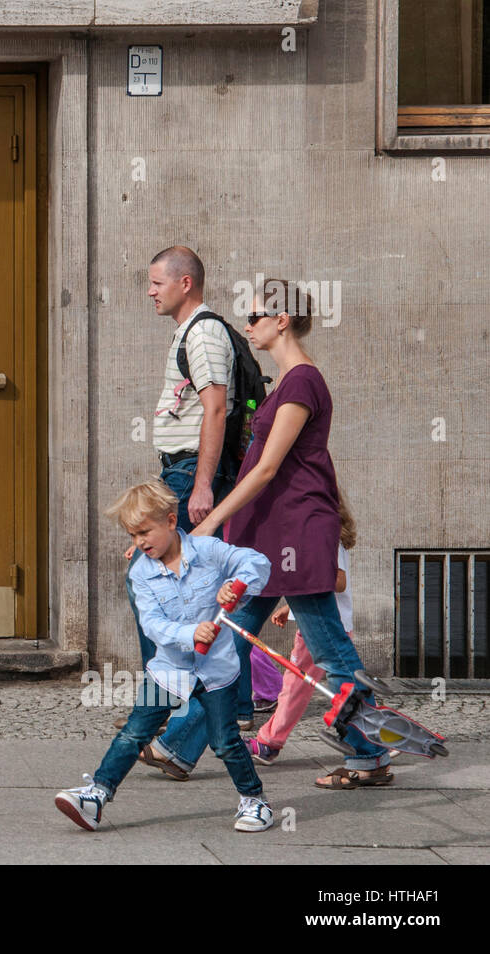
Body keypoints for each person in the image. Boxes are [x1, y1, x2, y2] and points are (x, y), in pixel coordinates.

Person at [138, 281, 393, 789]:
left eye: (255, 317)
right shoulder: (286, 384)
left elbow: (266, 469)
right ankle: (177, 746)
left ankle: (369, 754)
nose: (247, 326)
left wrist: (209, 522)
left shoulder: (302, 383)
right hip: (269, 541)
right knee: (226, 638)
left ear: (283, 320)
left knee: (329, 650)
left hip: (295, 537)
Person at [54, 479, 273, 833]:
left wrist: (238, 584)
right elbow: (153, 625)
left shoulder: (208, 550)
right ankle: (96, 795)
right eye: (132, 535)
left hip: (216, 671)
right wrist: (190, 633)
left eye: (144, 532)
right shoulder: (141, 572)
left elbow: (257, 562)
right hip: (168, 672)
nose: (139, 542)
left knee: (225, 741)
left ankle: (255, 801)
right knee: (133, 734)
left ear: (171, 522)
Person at [119, 246, 237, 726]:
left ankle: (168, 700)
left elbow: (215, 408)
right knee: (186, 590)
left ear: (184, 283)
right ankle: (224, 706)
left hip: (190, 473)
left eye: (156, 282)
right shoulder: (189, 332)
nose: (150, 291)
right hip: (179, 471)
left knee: (155, 584)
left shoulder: (204, 333)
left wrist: (202, 484)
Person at [247, 494, 357, 765]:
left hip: (323, 627)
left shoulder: (325, 536)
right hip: (323, 624)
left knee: (296, 687)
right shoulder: (320, 534)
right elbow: (315, 590)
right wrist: (291, 607)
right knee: (346, 687)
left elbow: (339, 582)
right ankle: (379, 734)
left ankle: (270, 742)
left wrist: (302, 572)